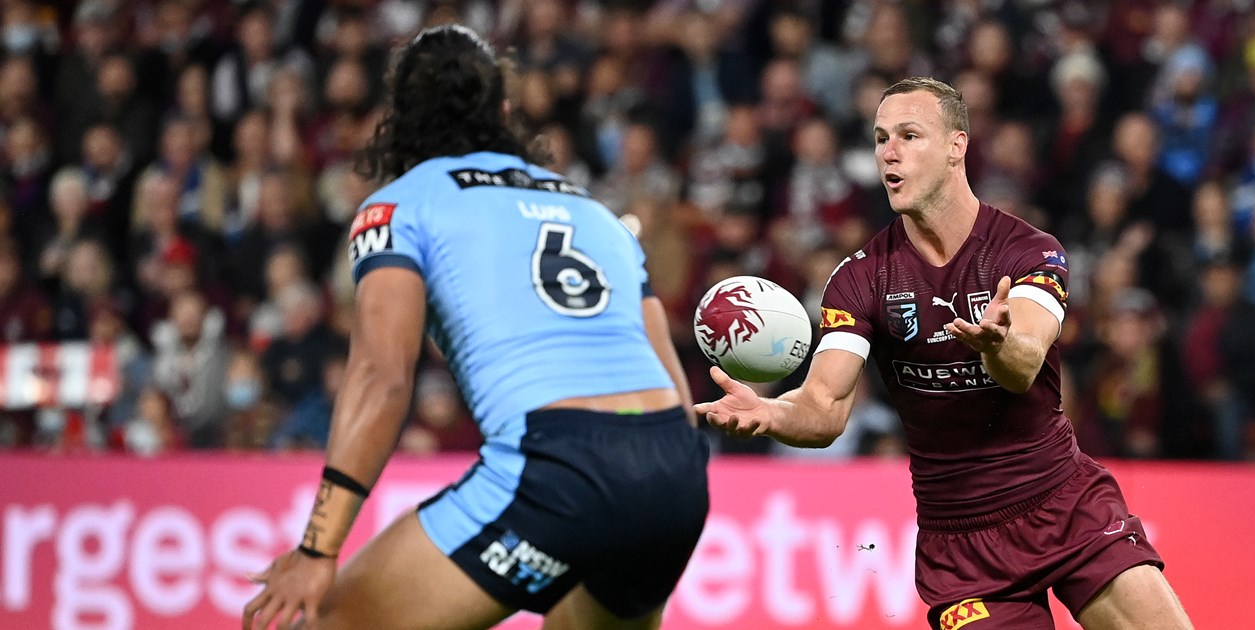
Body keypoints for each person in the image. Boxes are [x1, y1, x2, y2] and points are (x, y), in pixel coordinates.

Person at [242, 25, 707, 630]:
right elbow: (680, 396)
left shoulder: (399, 206)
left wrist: (316, 550)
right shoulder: (599, 215)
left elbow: (382, 377)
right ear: (505, 112)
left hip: (559, 465)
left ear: (397, 119)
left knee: (331, 622)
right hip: (672, 473)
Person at [697, 76, 1191, 629]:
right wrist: (773, 413)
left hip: (1063, 502)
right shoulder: (860, 279)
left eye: (909, 135)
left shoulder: (1028, 250)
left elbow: (1024, 363)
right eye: (881, 138)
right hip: (961, 547)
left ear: (958, 146)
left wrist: (998, 346)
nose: (890, 152)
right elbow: (826, 406)